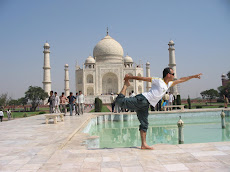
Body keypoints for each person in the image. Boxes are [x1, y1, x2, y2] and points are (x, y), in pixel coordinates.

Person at [115, 67, 202, 149]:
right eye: (173, 74)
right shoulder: (158, 81)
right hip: (142, 99)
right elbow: (143, 78)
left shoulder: (169, 84)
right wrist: (130, 77)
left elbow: (181, 80)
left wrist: (193, 76)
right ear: (168, 74)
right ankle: (126, 85)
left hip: (146, 105)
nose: (174, 76)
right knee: (120, 101)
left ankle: (143, 144)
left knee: (144, 124)